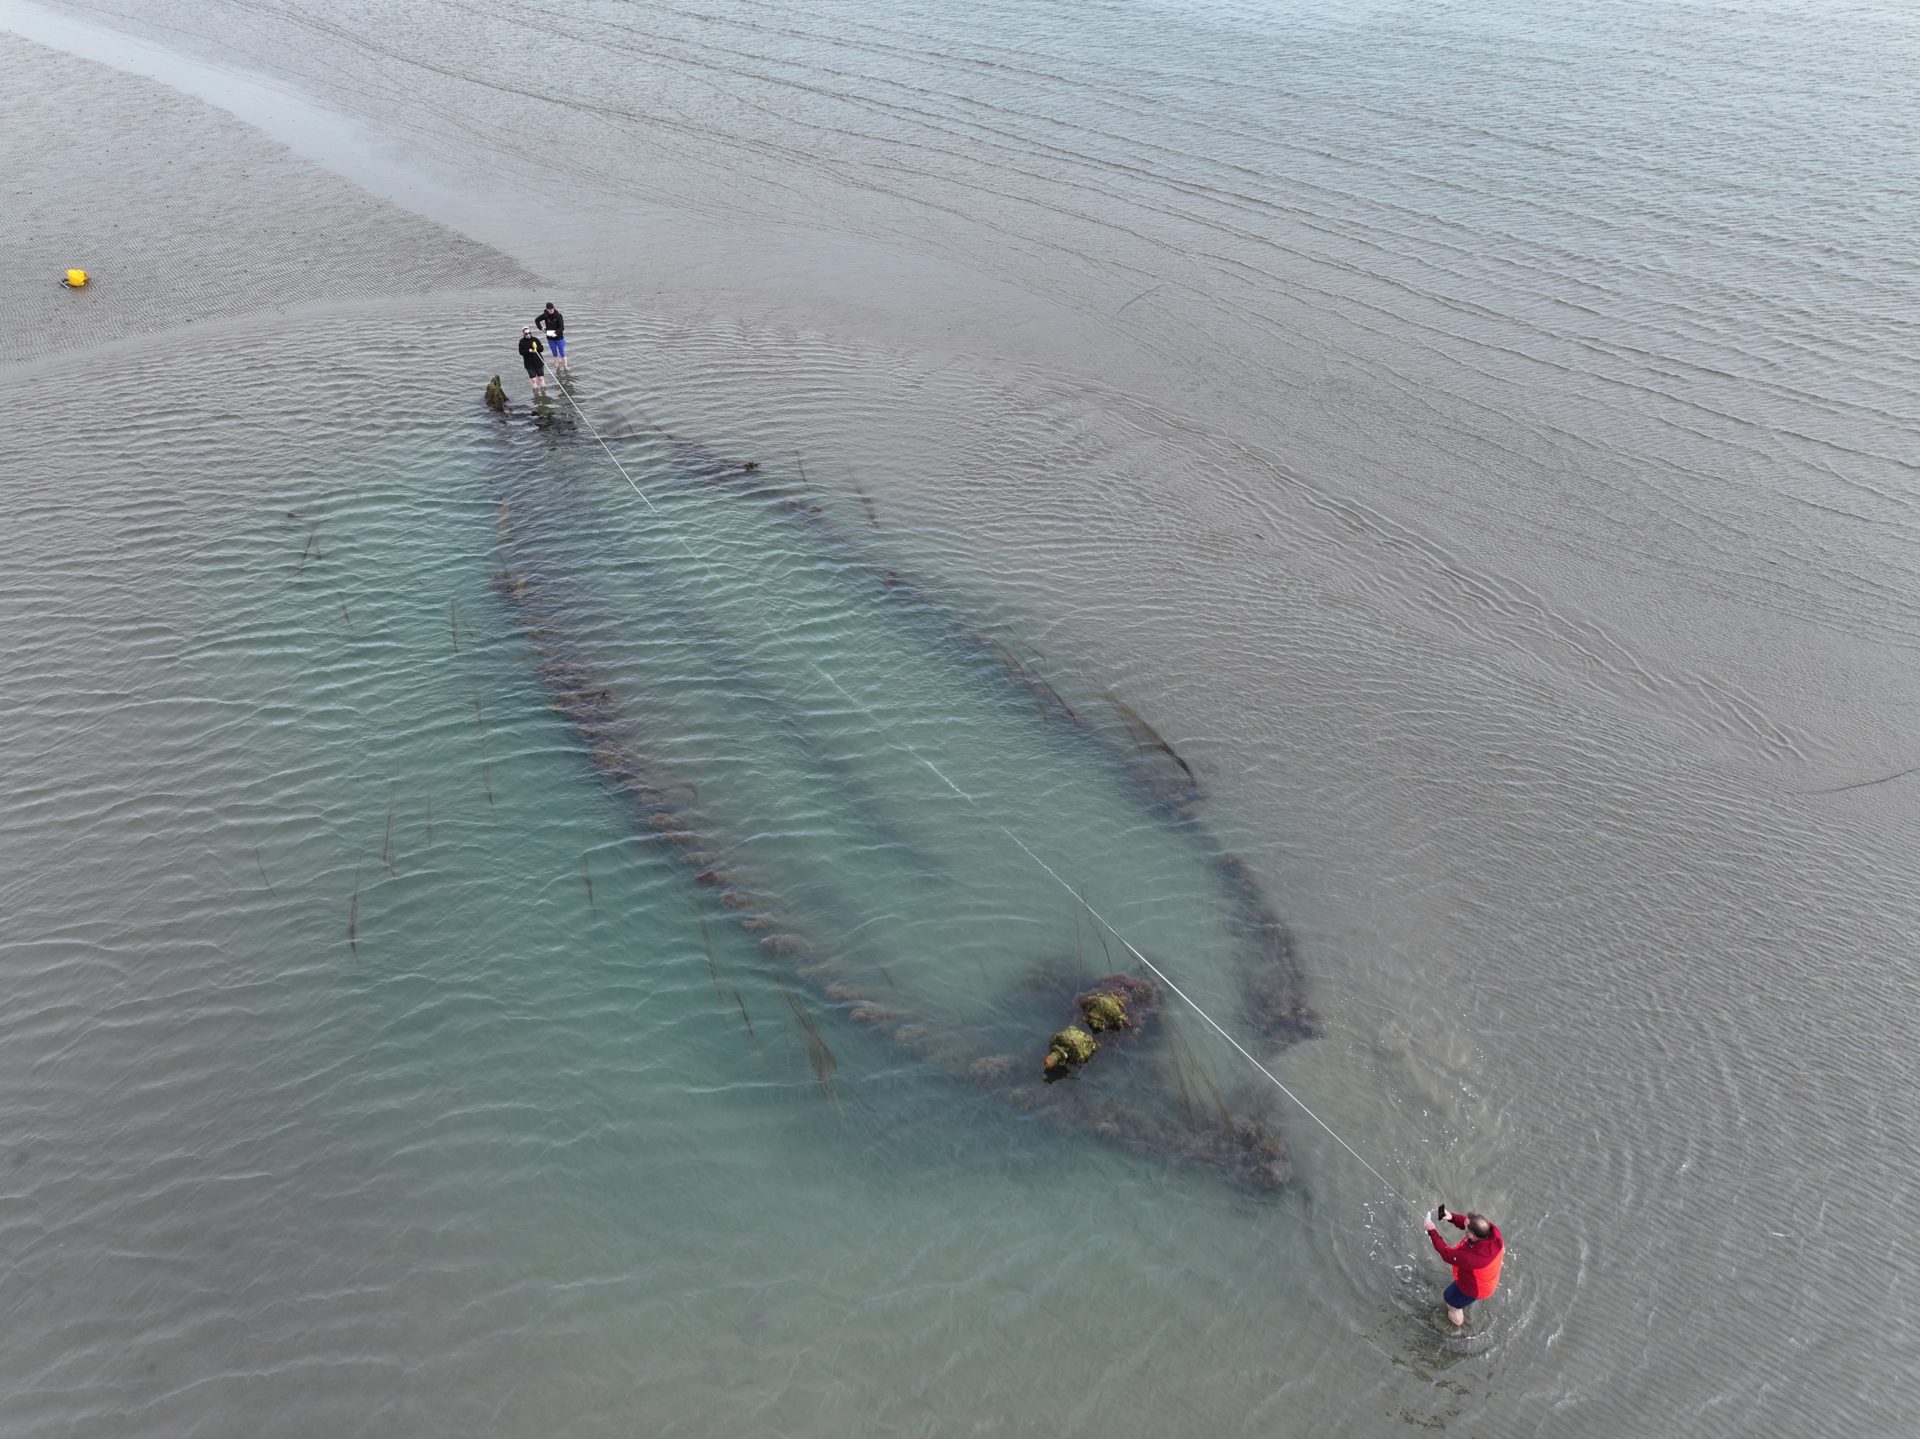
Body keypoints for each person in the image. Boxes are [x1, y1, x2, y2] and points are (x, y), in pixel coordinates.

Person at [1423, 1205, 1504, 1327]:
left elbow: (1446, 1254)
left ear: (1472, 1235)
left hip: (1476, 1288)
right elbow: (1469, 1223)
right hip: (1487, 1276)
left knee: (1451, 1301)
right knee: (1453, 1296)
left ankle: (1457, 1327)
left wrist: (1431, 1231)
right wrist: (1451, 1217)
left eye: (1467, 1231)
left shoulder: (1471, 1257)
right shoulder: (1492, 1232)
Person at [535, 302, 568, 372]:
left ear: (554, 308)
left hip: (559, 336)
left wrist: (556, 333)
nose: (551, 310)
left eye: (552, 309)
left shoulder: (558, 315)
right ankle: (557, 367)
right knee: (554, 353)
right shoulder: (545, 315)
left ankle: (565, 367)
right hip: (550, 337)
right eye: (549, 309)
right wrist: (541, 328)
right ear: (547, 309)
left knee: (562, 353)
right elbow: (536, 320)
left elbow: (562, 327)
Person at [518, 327, 547, 393]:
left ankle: (544, 393)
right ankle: (536, 394)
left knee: (541, 378)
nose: (528, 334)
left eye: (529, 333)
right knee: (533, 380)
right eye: (526, 333)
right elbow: (521, 352)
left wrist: (536, 348)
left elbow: (541, 348)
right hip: (529, 364)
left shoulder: (535, 339)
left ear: (531, 333)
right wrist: (528, 350)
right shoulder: (521, 342)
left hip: (538, 361)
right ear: (523, 334)